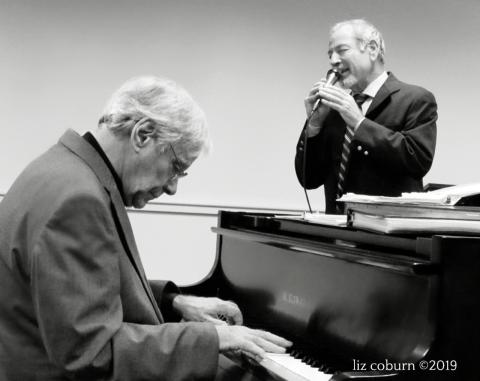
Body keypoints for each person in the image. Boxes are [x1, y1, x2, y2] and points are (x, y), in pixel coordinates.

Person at [0, 76, 291, 380]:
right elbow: (92, 356)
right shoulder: (78, 199)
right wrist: (213, 339)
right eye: (177, 167)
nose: (173, 188)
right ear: (142, 135)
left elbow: (71, 287)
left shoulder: (62, 169)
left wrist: (173, 302)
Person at [295, 19, 437, 214]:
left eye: (342, 50)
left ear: (372, 49)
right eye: (330, 54)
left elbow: (417, 163)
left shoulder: (416, 99)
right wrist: (314, 127)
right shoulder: (333, 109)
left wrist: (359, 123)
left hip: (386, 238)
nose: (333, 60)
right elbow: (309, 179)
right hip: (336, 235)